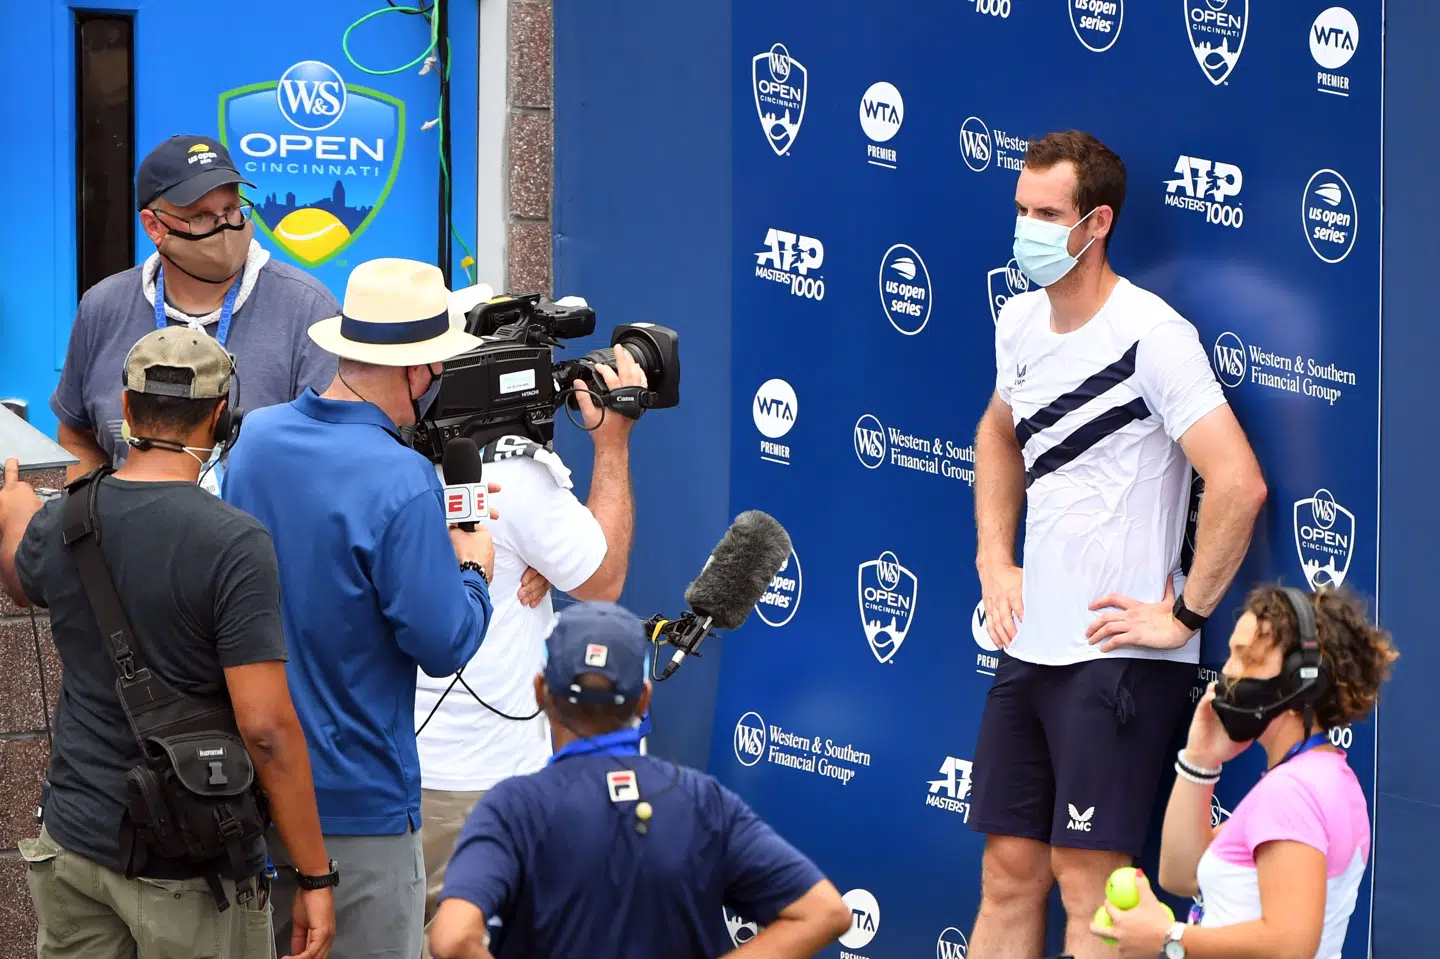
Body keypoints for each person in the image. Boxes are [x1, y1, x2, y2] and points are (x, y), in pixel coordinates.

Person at [967, 130, 1269, 959]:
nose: (1027, 228)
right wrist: (996, 558)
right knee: (1007, 873)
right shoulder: (1019, 319)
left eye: (1047, 213)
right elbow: (998, 435)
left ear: (1096, 223)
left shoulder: (1152, 334)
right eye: (1021, 209)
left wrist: (1184, 613)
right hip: (1030, 646)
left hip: (1120, 658)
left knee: (1091, 888)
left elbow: (1238, 482)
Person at [0, 329, 333, 959]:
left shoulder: (64, 520)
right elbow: (265, 729)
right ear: (221, 417)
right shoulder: (235, 543)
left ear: (125, 410)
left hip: (73, 843)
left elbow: (21, 581)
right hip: (189, 864)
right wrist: (315, 875)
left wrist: (14, 507)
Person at [221, 257, 500, 959]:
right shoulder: (402, 477)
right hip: (359, 809)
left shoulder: (256, 440)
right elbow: (443, 641)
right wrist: (473, 571)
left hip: (254, 797)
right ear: (414, 371)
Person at [425, 601, 852, 959]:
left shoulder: (511, 806)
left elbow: (452, 938)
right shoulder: (706, 802)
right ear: (643, 698)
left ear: (540, 692)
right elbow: (825, 912)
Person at [414, 310, 648, 942]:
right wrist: (613, 441)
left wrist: (529, 549)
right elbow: (601, 580)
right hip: (484, 785)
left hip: (384, 777)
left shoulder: (374, 459)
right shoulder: (512, 476)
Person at [1093, 584, 1395, 959]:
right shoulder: (1325, 777)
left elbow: (1291, 943)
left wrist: (1167, 936)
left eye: (1246, 658)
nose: (1227, 673)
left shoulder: (1292, 791)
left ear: (1302, 677)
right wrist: (1200, 761)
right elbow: (1182, 874)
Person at [52, 134, 339, 491]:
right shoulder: (103, 306)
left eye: (232, 210)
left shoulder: (309, 310)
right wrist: (98, 519)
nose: (225, 228)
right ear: (154, 226)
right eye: (202, 216)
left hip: (258, 544)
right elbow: (76, 434)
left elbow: (334, 463)